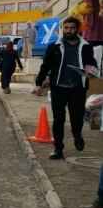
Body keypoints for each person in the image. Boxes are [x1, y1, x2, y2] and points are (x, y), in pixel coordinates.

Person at [36, 17, 97, 160]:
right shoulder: (54, 47)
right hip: (59, 88)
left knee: (76, 118)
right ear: (63, 29)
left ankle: (77, 135)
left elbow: (92, 64)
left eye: (72, 28)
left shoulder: (86, 47)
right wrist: (39, 83)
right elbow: (46, 66)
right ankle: (58, 148)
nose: (69, 31)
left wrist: (90, 73)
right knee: (58, 119)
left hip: (77, 89)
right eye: (66, 28)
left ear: (78, 29)